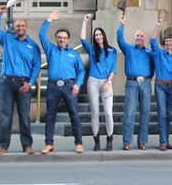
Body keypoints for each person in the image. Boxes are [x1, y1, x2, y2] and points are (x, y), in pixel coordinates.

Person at [0, 6, 41, 155]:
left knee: (24, 115)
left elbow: (36, 66)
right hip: (6, 82)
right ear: (14, 27)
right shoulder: (6, 39)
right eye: (17, 26)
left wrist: (30, 83)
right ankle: (3, 145)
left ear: (26, 28)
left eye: (22, 26)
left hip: (23, 83)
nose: (20, 28)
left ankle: (27, 145)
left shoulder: (33, 46)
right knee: (6, 115)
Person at [38, 12, 86, 154]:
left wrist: (78, 84)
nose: (62, 40)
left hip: (69, 86)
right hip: (53, 86)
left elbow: (81, 71)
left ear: (68, 39)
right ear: (56, 39)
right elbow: (41, 35)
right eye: (59, 37)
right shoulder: (51, 50)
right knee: (50, 115)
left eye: (64, 38)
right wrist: (49, 19)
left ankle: (78, 143)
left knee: (74, 114)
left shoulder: (73, 54)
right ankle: (49, 143)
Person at [116, 12, 155, 150]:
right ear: (134, 38)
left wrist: (147, 79)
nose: (139, 38)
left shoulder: (149, 52)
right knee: (130, 112)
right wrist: (121, 25)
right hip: (132, 83)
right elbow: (120, 39)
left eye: (141, 36)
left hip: (145, 82)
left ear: (145, 39)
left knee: (145, 112)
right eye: (137, 36)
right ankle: (127, 141)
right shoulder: (128, 49)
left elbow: (152, 68)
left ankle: (142, 141)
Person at [80, 14, 117, 151]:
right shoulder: (91, 50)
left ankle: (109, 138)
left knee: (108, 112)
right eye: (96, 35)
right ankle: (96, 139)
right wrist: (85, 22)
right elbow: (82, 38)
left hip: (106, 82)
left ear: (104, 36)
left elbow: (113, 68)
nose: (98, 37)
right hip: (93, 82)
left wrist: (108, 82)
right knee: (95, 112)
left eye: (100, 34)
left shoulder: (112, 51)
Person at [151, 16, 172, 151]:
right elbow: (152, 40)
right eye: (167, 41)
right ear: (164, 42)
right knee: (162, 113)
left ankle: (167, 139)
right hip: (160, 86)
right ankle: (162, 141)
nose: (169, 43)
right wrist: (158, 25)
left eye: (170, 41)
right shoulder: (159, 53)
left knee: (169, 114)